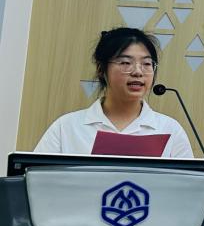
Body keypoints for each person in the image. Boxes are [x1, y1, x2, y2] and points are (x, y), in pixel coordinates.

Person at [34, 27, 194, 157]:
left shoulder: (170, 129)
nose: (138, 72)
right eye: (125, 63)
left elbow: (188, 184)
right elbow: (37, 178)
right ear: (101, 69)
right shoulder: (67, 127)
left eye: (146, 64)